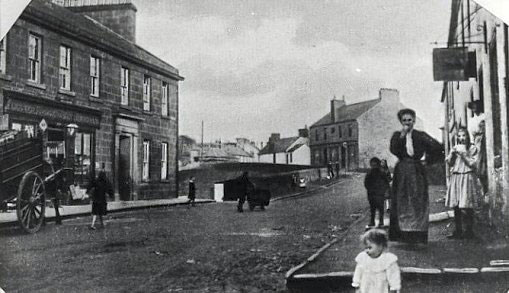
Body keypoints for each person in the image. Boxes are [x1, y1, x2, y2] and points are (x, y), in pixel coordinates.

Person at [389, 108, 443, 244]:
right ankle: (403, 235)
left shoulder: (420, 135)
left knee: (417, 200)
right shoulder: (397, 135)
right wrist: (402, 136)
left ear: (414, 120)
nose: (407, 123)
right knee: (402, 200)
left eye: (409, 120)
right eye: (404, 120)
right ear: (401, 122)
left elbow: (437, 147)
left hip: (417, 170)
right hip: (402, 171)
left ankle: (417, 235)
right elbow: (393, 149)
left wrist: (427, 162)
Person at [445, 127, 479, 239]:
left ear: (467, 136)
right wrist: (452, 153)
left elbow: (473, 164)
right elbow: (450, 163)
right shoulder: (456, 148)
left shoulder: (472, 148)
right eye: (459, 136)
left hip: (467, 176)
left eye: (463, 135)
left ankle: (469, 231)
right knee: (456, 205)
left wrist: (464, 154)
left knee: (468, 204)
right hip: (456, 176)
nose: (461, 138)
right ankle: (458, 231)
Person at [352, 229, 401, 293]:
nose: (367, 250)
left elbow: (393, 275)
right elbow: (358, 272)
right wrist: (357, 285)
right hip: (365, 287)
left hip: (381, 288)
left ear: (380, 246)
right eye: (365, 248)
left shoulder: (387, 259)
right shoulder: (363, 258)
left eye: (370, 248)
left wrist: (394, 287)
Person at [364, 157, 390, 228]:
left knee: (380, 209)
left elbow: (386, 183)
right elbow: (366, 183)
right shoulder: (369, 174)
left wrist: (383, 191)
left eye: (376, 164)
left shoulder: (382, 173)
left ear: (378, 165)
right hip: (372, 195)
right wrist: (370, 190)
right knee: (372, 209)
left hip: (379, 194)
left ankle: (380, 222)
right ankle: (372, 221)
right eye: (373, 165)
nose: (374, 166)